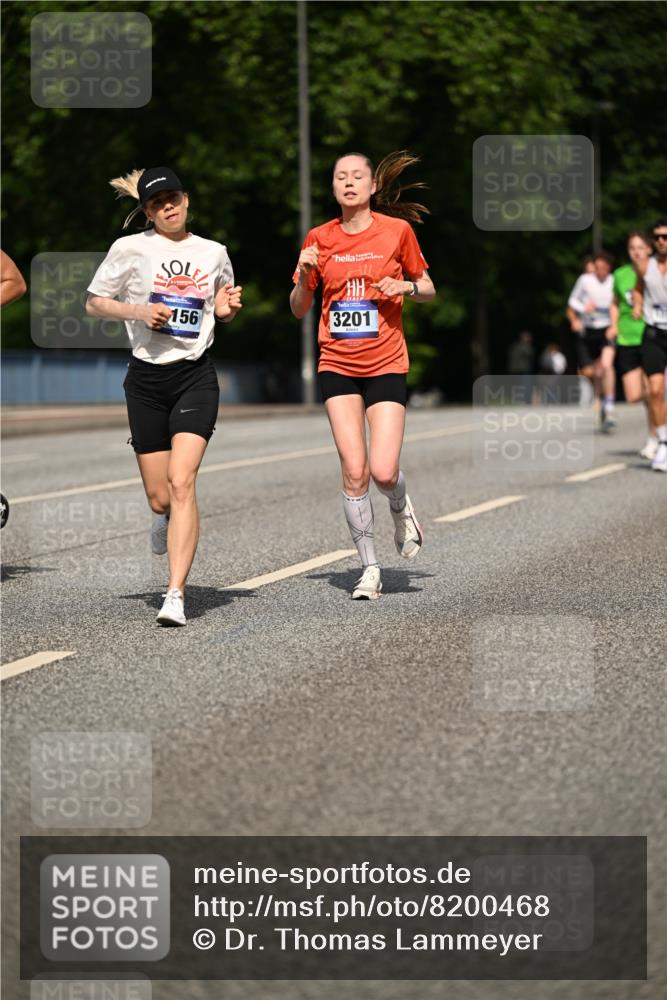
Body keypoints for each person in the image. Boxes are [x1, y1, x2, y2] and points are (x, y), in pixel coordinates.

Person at [86, 166, 242, 624]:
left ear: (186, 199)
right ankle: (163, 519)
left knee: (181, 482)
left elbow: (221, 305)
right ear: (147, 211)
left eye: (173, 198)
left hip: (195, 375)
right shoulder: (130, 248)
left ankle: (175, 594)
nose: (167, 207)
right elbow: (94, 302)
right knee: (160, 498)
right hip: (146, 381)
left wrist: (227, 309)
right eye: (157, 203)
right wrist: (139, 311)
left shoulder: (214, 252)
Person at [290, 151, 436, 600]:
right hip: (337, 363)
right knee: (354, 471)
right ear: (333, 187)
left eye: (358, 177)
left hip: (386, 363)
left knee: (383, 470)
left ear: (372, 187)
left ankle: (399, 506)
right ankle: (369, 569)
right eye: (341, 177)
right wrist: (305, 273)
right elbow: (298, 308)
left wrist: (406, 287)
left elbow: (429, 288)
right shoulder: (318, 238)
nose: (349, 183)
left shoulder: (397, 232)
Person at [608, 232, 656, 459]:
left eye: (640, 247)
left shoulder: (658, 272)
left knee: (653, 390)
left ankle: (655, 437)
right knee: (635, 395)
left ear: (649, 249)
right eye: (631, 248)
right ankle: (660, 414)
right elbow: (615, 303)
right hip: (626, 339)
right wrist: (614, 325)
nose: (636, 252)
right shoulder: (620, 275)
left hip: (651, 335)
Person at [566, 251, 616, 431]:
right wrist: (582, 309)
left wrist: (615, 325)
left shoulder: (613, 281)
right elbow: (572, 301)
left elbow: (618, 304)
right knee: (589, 372)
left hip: (606, 330)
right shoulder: (585, 280)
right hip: (588, 331)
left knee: (607, 366)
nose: (600, 271)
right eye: (597, 268)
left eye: (604, 268)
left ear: (609, 268)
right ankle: (600, 395)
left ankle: (609, 407)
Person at [632, 217, 667, 472]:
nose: (661, 241)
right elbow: (637, 288)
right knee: (654, 390)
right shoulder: (646, 265)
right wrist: (636, 304)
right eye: (656, 237)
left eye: (665, 237)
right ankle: (663, 441)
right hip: (654, 332)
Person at [507, 330, 534, 404]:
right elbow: (530, 354)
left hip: (514, 369)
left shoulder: (514, 346)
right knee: (526, 385)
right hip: (524, 369)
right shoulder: (526, 347)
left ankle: (518, 400)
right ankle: (525, 400)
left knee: (517, 385)